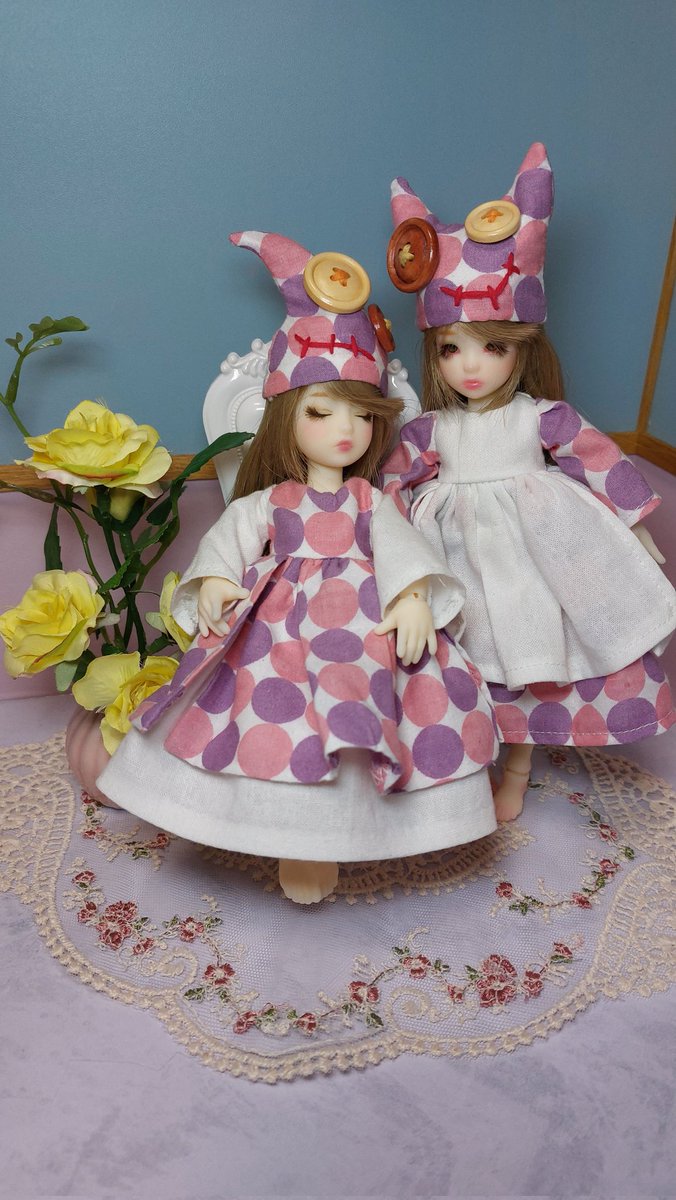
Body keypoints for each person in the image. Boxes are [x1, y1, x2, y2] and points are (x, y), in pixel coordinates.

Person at [98, 230, 498, 902]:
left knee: (366, 711)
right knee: (269, 716)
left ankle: (348, 835)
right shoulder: (272, 501)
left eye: (361, 416)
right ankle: (283, 834)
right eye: (321, 412)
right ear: (287, 417)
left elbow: (401, 547)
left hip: (365, 632)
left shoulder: (371, 499)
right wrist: (217, 579)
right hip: (278, 629)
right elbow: (229, 538)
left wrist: (411, 598)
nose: (345, 431)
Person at [382, 144, 676, 821]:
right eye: (451, 349)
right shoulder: (429, 431)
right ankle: (463, 762)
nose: (470, 367)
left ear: (522, 347)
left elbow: (598, 460)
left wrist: (634, 531)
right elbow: (389, 487)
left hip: (534, 550)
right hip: (454, 555)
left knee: (536, 647)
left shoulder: (540, 417)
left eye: (493, 346)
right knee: (466, 654)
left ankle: (516, 768)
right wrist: (388, 555)